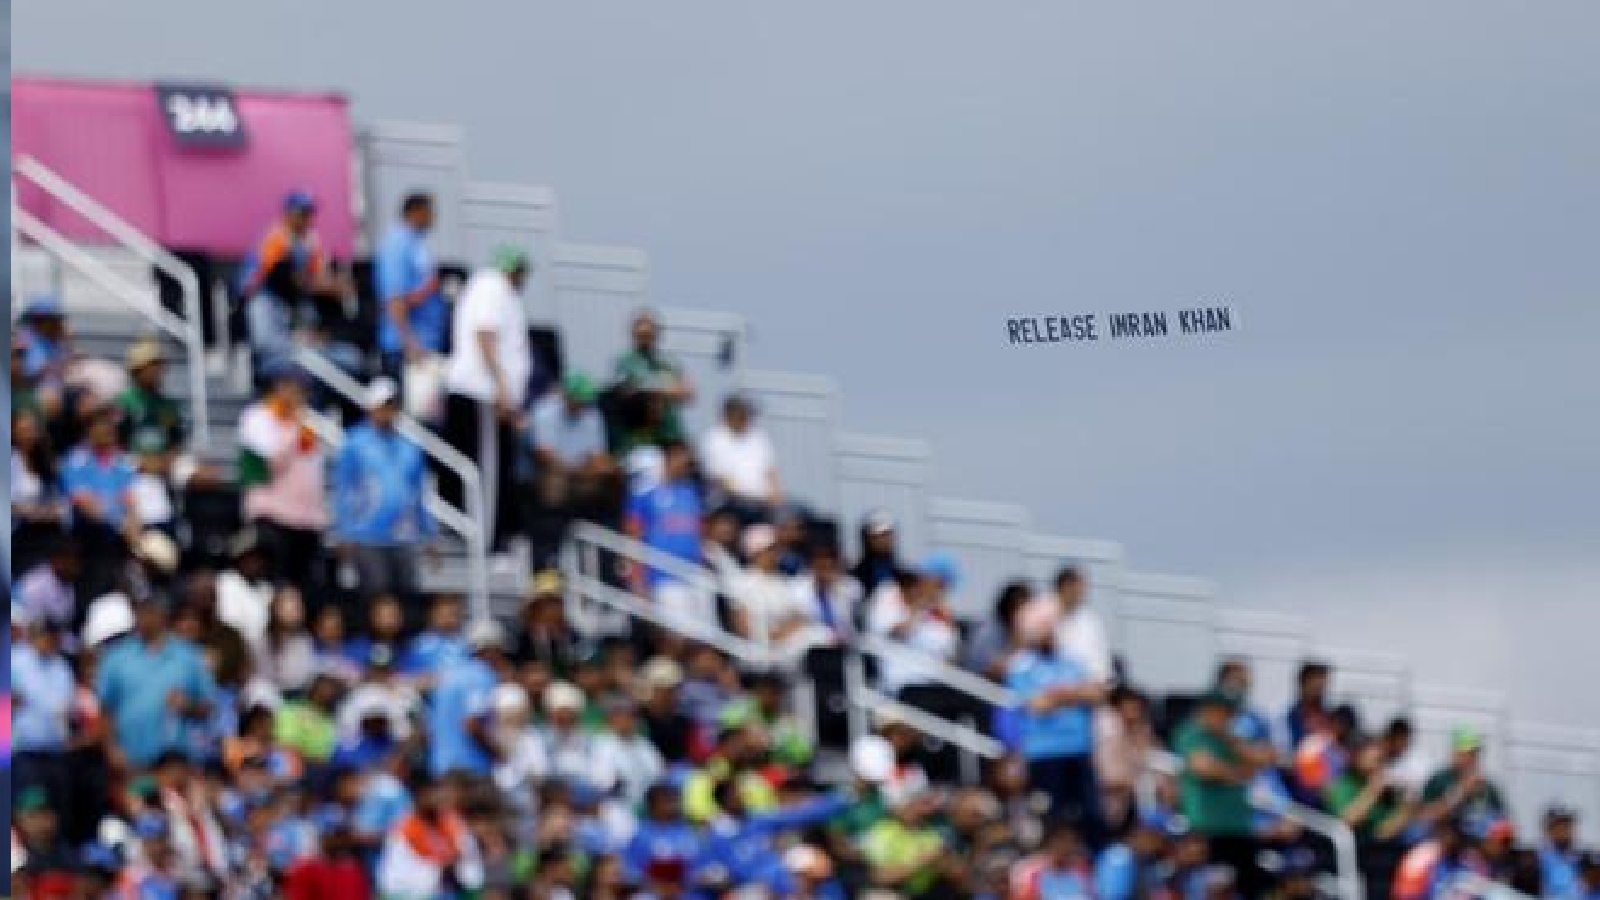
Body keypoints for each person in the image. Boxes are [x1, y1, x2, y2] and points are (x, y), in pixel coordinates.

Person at [441, 245, 533, 549]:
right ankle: (485, 540)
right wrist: (503, 389)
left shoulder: (500, 292)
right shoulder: (491, 286)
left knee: (494, 471)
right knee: (487, 473)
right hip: (482, 394)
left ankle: (487, 536)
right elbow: (485, 335)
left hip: (487, 395)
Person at [1006, 598, 1110, 850]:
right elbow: (1035, 705)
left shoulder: (1073, 663)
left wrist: (1059, 696)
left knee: (1090, 816)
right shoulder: (1022, 666)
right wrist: (1072, 694)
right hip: (1044, 753)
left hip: (1079, 750)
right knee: (1050, 816)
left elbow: (1098, 694)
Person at [332, 376, 438, 602]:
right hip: (367, 534)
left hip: (404, 534)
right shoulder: (355, 443)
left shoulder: (410, 447)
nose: (387, 411)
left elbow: (420, 494)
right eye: (383, 405)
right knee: (376, 597)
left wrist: (428, 534)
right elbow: (344, 489)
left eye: (392, 404)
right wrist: (344, 531)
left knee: (408, 598)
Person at [96, 593, 216, 768]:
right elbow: (105, 710)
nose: (144, 618)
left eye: (150, 611)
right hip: (130, 761)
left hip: (175, 763)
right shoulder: (116, 657)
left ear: (163, 615)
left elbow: (208, 707)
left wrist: (188, 705)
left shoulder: (188, 656)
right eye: (140, 612)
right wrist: (111, 749)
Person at [237, 362, 329, 592]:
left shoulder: (306, 421)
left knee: (306, 587)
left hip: (305, 520)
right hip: (272, 516)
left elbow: (312, 468)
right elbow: (269, 464)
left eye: (303, 389)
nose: (299, 394)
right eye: (293, 387)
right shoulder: (257, 417)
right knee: (275, 584)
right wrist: (294, 427)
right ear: (279, 387)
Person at [242, 190, 345, 387]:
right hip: (264, 299)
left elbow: (316, 275)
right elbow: (282, 278)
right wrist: (325, 286)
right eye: (302, 212)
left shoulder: (308, 240)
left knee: (306, 345)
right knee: (270, 351)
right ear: (289, 213)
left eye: (309, 213)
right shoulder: (276, 237)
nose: (307, 218)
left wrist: (333, 284)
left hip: (288, 302)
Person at [1177, 691, 1269, 899]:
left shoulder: (1231, 740)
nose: (1229, 719)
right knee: (1210, 889)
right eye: (1224, 713)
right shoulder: (1192, 734)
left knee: (1246, 888)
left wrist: (1234, 744)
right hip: (1208, 829)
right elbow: (1203, 768)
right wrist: (1235, 774)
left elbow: (1258, 763)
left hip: (1238, 828)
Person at [625, 439, 710, 622]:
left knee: (708, 637)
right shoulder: (645, 496)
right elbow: (634, 538)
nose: (686, 463)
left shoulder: (690, 492)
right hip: (664, 578)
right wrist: (638, 579)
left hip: (695, 575)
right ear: (666, 459)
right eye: (680, 457)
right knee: (680, 635)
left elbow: (698, 534)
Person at [61, 404, 140, 597]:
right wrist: (120, 522)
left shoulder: (121, 462)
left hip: (117, 544)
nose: (109, 430)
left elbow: (130, 501)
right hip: (88, 544)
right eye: (104, 425)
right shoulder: (75, 461)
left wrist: (133, 529)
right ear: (89, 430)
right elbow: (85, 504)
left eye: (111, 426)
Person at [1326, 736, 1419, 900]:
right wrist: (1373, 790)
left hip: (1382, 851)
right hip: (1354, 851)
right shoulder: (1344, 784)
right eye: (1374, 755)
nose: (1379, 761)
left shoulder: (1385, 791)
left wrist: (1408, 805)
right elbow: (1346, 821)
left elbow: (1386, 830)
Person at [9, 617, 77, 833]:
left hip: (56, 752)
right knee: (28, 811)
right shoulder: (14, 661)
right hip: (24, 753)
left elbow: (66, 708)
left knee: (58, 812)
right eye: (40, 636)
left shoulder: (61, 667)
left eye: (48, 636)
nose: (44, 641)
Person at [428, 617, 514, 777]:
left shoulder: (447, 676)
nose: (501, 657)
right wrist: (498, 753)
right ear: (488, 649)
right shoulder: (482, 675)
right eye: (499, 650)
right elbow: (472, 724)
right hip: (470, 770)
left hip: (440, 768)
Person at [375, 774, 485, 897]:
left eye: (437, 793)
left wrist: (455, 868)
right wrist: (437, 869)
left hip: (453, 891)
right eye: (429, 794)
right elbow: (391, 879)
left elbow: (473, 870)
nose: (436, 798)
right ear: (418, 797)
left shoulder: (454, 824)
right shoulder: (404, 829)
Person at [375, 192, 445, 382]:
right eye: (430, 212)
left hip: (425, 344)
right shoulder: (397, 244)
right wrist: (410, 343)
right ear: (416, 211)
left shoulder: (415, 242)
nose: (433, 217)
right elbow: (394, 298)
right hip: (404, 350)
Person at [612, 309, 695, 451]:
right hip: (639, 436)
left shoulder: (669, 363)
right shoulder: (625, 362)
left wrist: (651, 388)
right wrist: (666, 389)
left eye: (650, 334)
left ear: (657, 335)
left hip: (671, 433)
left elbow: (688, 393)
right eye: (642, 335)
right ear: (634, 334)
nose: (646, 338)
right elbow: (627, 391)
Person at [699, 394, 782, 516]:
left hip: (764, 501)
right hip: (731, 502)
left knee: (803, 517)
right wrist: (757, 499)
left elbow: (770, 471)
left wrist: (776, 495)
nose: (748, 418)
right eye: (743, 413)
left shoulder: (757, 435)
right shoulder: (714, 439)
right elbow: (721, 482)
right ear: (730, 415)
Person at [1419, 727, 1508, 829]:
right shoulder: (1439, 780)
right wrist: (1461, 792)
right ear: (1454, 753)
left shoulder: (1487, 786)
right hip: (1443, 836)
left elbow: (1502, 821)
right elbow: (1425, 816)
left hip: (1477, 839)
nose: (1469, 758)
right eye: (1464, 753)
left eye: (1474, 754)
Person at [115, 337, 187, 456]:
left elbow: (174, 440)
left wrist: (167, 460)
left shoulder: (168, 406)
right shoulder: (124, 402)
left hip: (163, 462)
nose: (157, 371)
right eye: (152, 366)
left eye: (159, 366)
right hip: (131, 461)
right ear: (137, 371)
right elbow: (118, 441)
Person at [1052, 566, 1112, 684]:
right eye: (1075, 587)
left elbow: (1101, 665)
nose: (1080, 592)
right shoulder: (1043, 616)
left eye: (1082, 588)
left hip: (1085, 691)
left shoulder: (1091, 622)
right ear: (1062, 587)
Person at [851, 510, 910, 596]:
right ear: (867, 539)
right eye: (878, 536)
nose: (884, 540)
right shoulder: (856, 576)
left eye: (887, 534)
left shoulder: (904, 574)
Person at [1285, 660, 1332, 753]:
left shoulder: (1330, 717)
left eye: (1323, 687)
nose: (1319, 692)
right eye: (1315, 686)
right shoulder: (1286, 717)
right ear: (1302, 683)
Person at [1540, 805, 1583, 899]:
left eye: (1568, 825)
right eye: (1560, 826)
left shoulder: (1584, 858)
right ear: (1549, 830)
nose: (1566, 831)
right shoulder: (1540, 861)